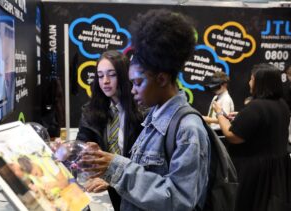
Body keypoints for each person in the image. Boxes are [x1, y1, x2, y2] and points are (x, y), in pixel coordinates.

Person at [79, 9, 210, 211]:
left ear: (161, 79)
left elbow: (181, 200)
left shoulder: (187, 130)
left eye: (138, 83)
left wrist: (116, 167)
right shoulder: (153, 118)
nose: (132, 90)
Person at [213, 63, 291, 211]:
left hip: (255, 171)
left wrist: (219, 114)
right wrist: (242, 116)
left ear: (260, 83)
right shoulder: (282, 104)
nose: (249, 82)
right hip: (276, 169)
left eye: (252, 79)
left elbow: (232, 136)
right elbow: (265, 124)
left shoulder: (256, 107)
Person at [76, 50, 143, 210]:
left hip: (135, 191)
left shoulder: (143, 112)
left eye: (111, 75)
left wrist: (113, 178)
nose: (105, 81)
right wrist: (80, 151)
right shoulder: (90, 110)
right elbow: (81, 144)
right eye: (100, 76)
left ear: (125, 76)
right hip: (102, 192)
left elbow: (145, 161)